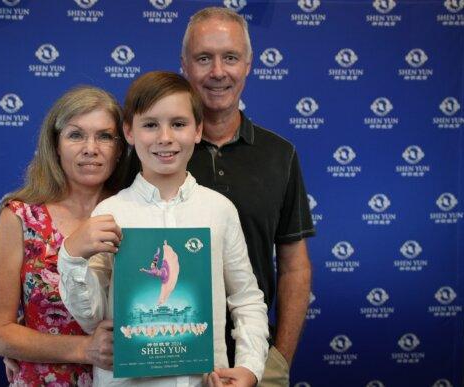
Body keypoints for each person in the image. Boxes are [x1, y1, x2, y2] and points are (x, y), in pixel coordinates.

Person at [57, 71, 269, 387]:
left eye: (179, 124)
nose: (165, 137)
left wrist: (250, 367)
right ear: (129, 131)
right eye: (151, 125)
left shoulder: (219, 210)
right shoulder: (111, 213)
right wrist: (71, 257)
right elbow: (92, 318)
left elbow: (246, 298)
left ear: (198, 130)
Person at [181, 7, 315, 386]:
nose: (218, 71)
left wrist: (278, 360)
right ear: (185, 66)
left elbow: (294, 265)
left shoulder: (280, 154)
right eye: (204, 58)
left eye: (231, 58)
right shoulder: (154, 151)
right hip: (164, 361)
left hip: (251, 364)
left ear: (249, 65)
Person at [0, 86, 128, 386]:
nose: (91, 148)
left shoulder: (136, 214)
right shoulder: (20, 217)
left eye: (104, 136)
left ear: (120, 148)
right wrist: (84, 349)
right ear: (56, 145)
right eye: (76, 135)